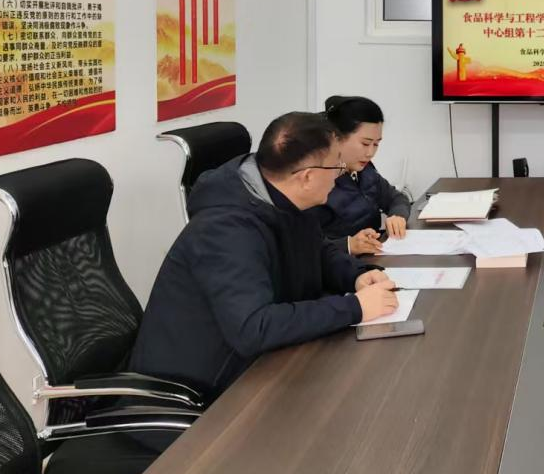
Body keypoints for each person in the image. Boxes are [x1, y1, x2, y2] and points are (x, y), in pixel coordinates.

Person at [130, 112, 401, 401]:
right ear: (307, 177)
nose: (340, 173)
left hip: (259, 366)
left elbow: (316, 249)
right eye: (336, 165)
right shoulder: (224, 229)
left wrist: (355, 276)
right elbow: (253, 328)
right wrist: (354, 308)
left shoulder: (283, 195)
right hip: (199, 393)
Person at [316, 95, 411, 256]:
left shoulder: (365, 170)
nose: (370, 153)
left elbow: (396, 198)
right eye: (365, 143)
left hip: (373, 256)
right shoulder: (317, 181)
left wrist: (398, 216)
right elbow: (303, 247)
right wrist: (348, 245)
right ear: (336, 137)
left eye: (376, 144)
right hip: (340, 264)